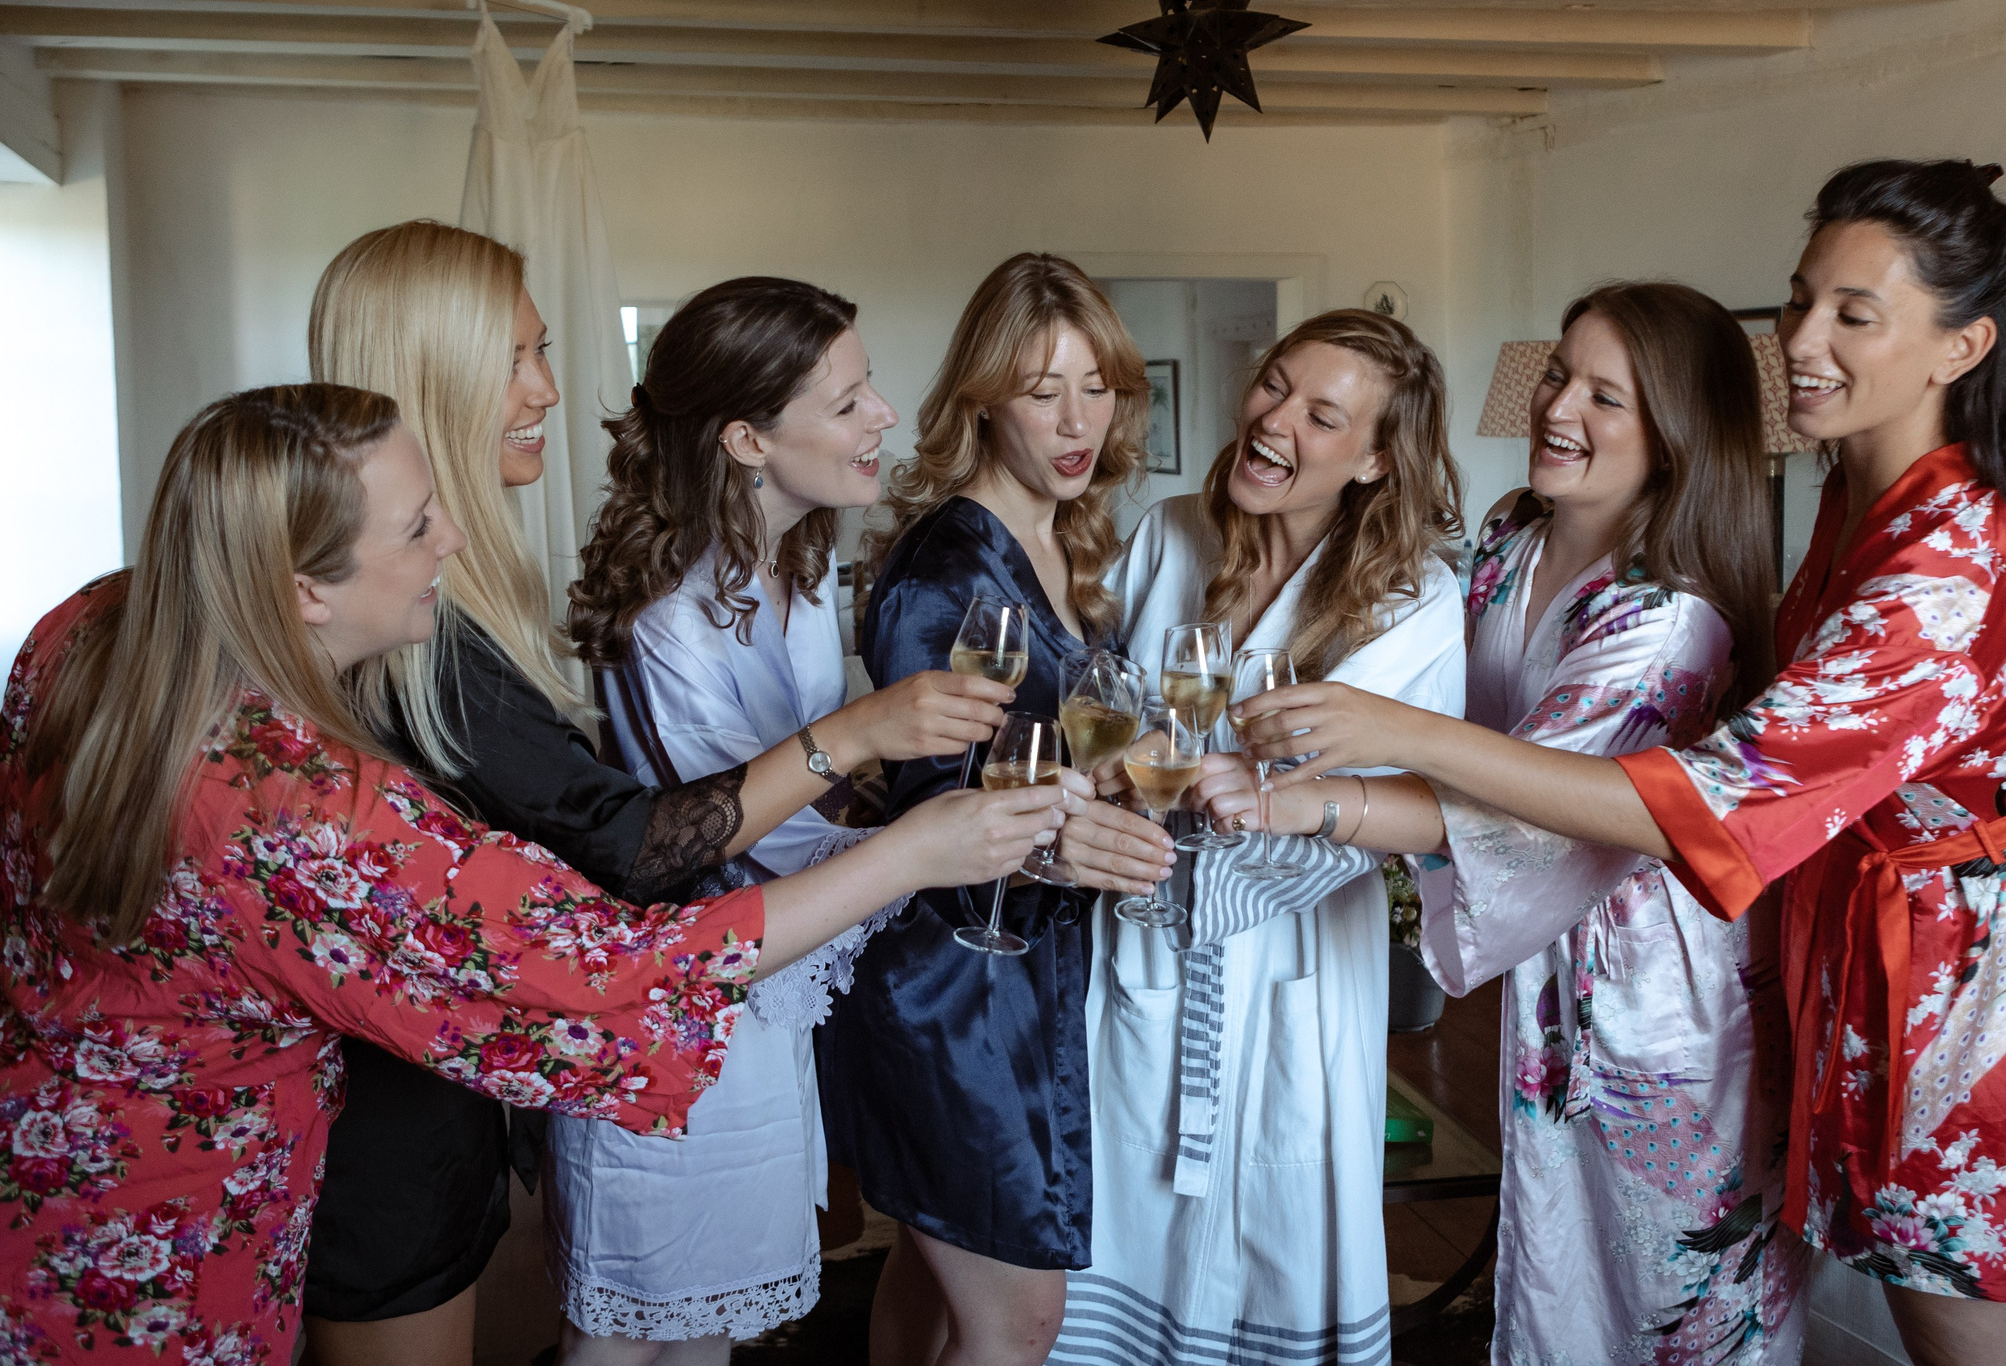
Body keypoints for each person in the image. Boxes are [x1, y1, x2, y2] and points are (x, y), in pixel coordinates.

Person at [1240, 162, 2006, 1366]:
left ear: (1961, 345)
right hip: (1862, 945)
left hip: (1980, 978)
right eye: (1801, 300)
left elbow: (1713, 799)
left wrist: (1389, 741)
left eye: (1853, 315)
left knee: (1975, 1348)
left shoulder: (1953, 561)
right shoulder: (1861, 499)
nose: (1801, 342)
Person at [0, 384, 1065, 1360]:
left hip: (38, 1180)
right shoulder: (302, 814)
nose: (453, 538)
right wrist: (913, 850)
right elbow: (618, 971)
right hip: (171, 1256)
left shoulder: (90, 626)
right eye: (417, 526)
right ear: (305, 589)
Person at [302, 222, 1017, 1366]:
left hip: (542, 1036)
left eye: (541, 352)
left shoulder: (473, 601)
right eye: (517, 358)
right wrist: (882, 772)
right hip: (513, 1052)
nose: (548, 387)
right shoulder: (433, 640)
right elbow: (634, 846)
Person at [1051, 308, 1469, 1366]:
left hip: (1296, 959)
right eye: (1275, 386)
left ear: (1375, 460)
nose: (1275, 421)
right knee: (1126, 1206)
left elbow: (1406, 798)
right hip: (1144, 927)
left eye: (1322, 416)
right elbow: (1097, 704)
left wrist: (1226, 787)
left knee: (1276, 1206)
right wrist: (1128, 761)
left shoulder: (1411, 598)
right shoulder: (1170, 534)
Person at [1412, 283, 1807, 1362]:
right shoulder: (1509, 537)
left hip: (1659, 988)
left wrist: (1339, 782)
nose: (1557, 408)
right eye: (1558, 374)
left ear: (1676, 433)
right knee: (1560, 1257)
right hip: (1552, 951)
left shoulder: (1669, 615)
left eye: (1605, 396)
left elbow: (1521, 803)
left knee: (1663, 1281)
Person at [824, 253, 1174, 1366]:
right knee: (1018, 1318)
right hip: (953, 985)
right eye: (1042, 390)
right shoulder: (945, 572)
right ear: (982, 400)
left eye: (1097, 387)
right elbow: (934, 799)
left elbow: (1040, 753)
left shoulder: (1062, 537)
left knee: (930, 1284)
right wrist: (1065, 841)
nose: (1077, 421)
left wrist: (1121, 771)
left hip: (1025, 971)